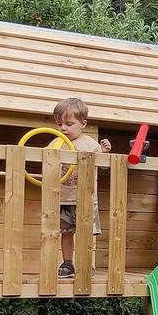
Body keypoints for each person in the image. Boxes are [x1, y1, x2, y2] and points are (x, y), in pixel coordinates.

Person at [50, 98, 111, 278]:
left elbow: (104, 165)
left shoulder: (89, 144)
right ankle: (67, 264)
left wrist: (104, 152)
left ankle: (86, 262)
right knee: (66, 233)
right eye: (59, 124)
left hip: (86, 198)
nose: (63, 128)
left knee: (86, 233)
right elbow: (46, 161)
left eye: (69, 124)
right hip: (64, 198)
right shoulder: (56, 143)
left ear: (83, 124)